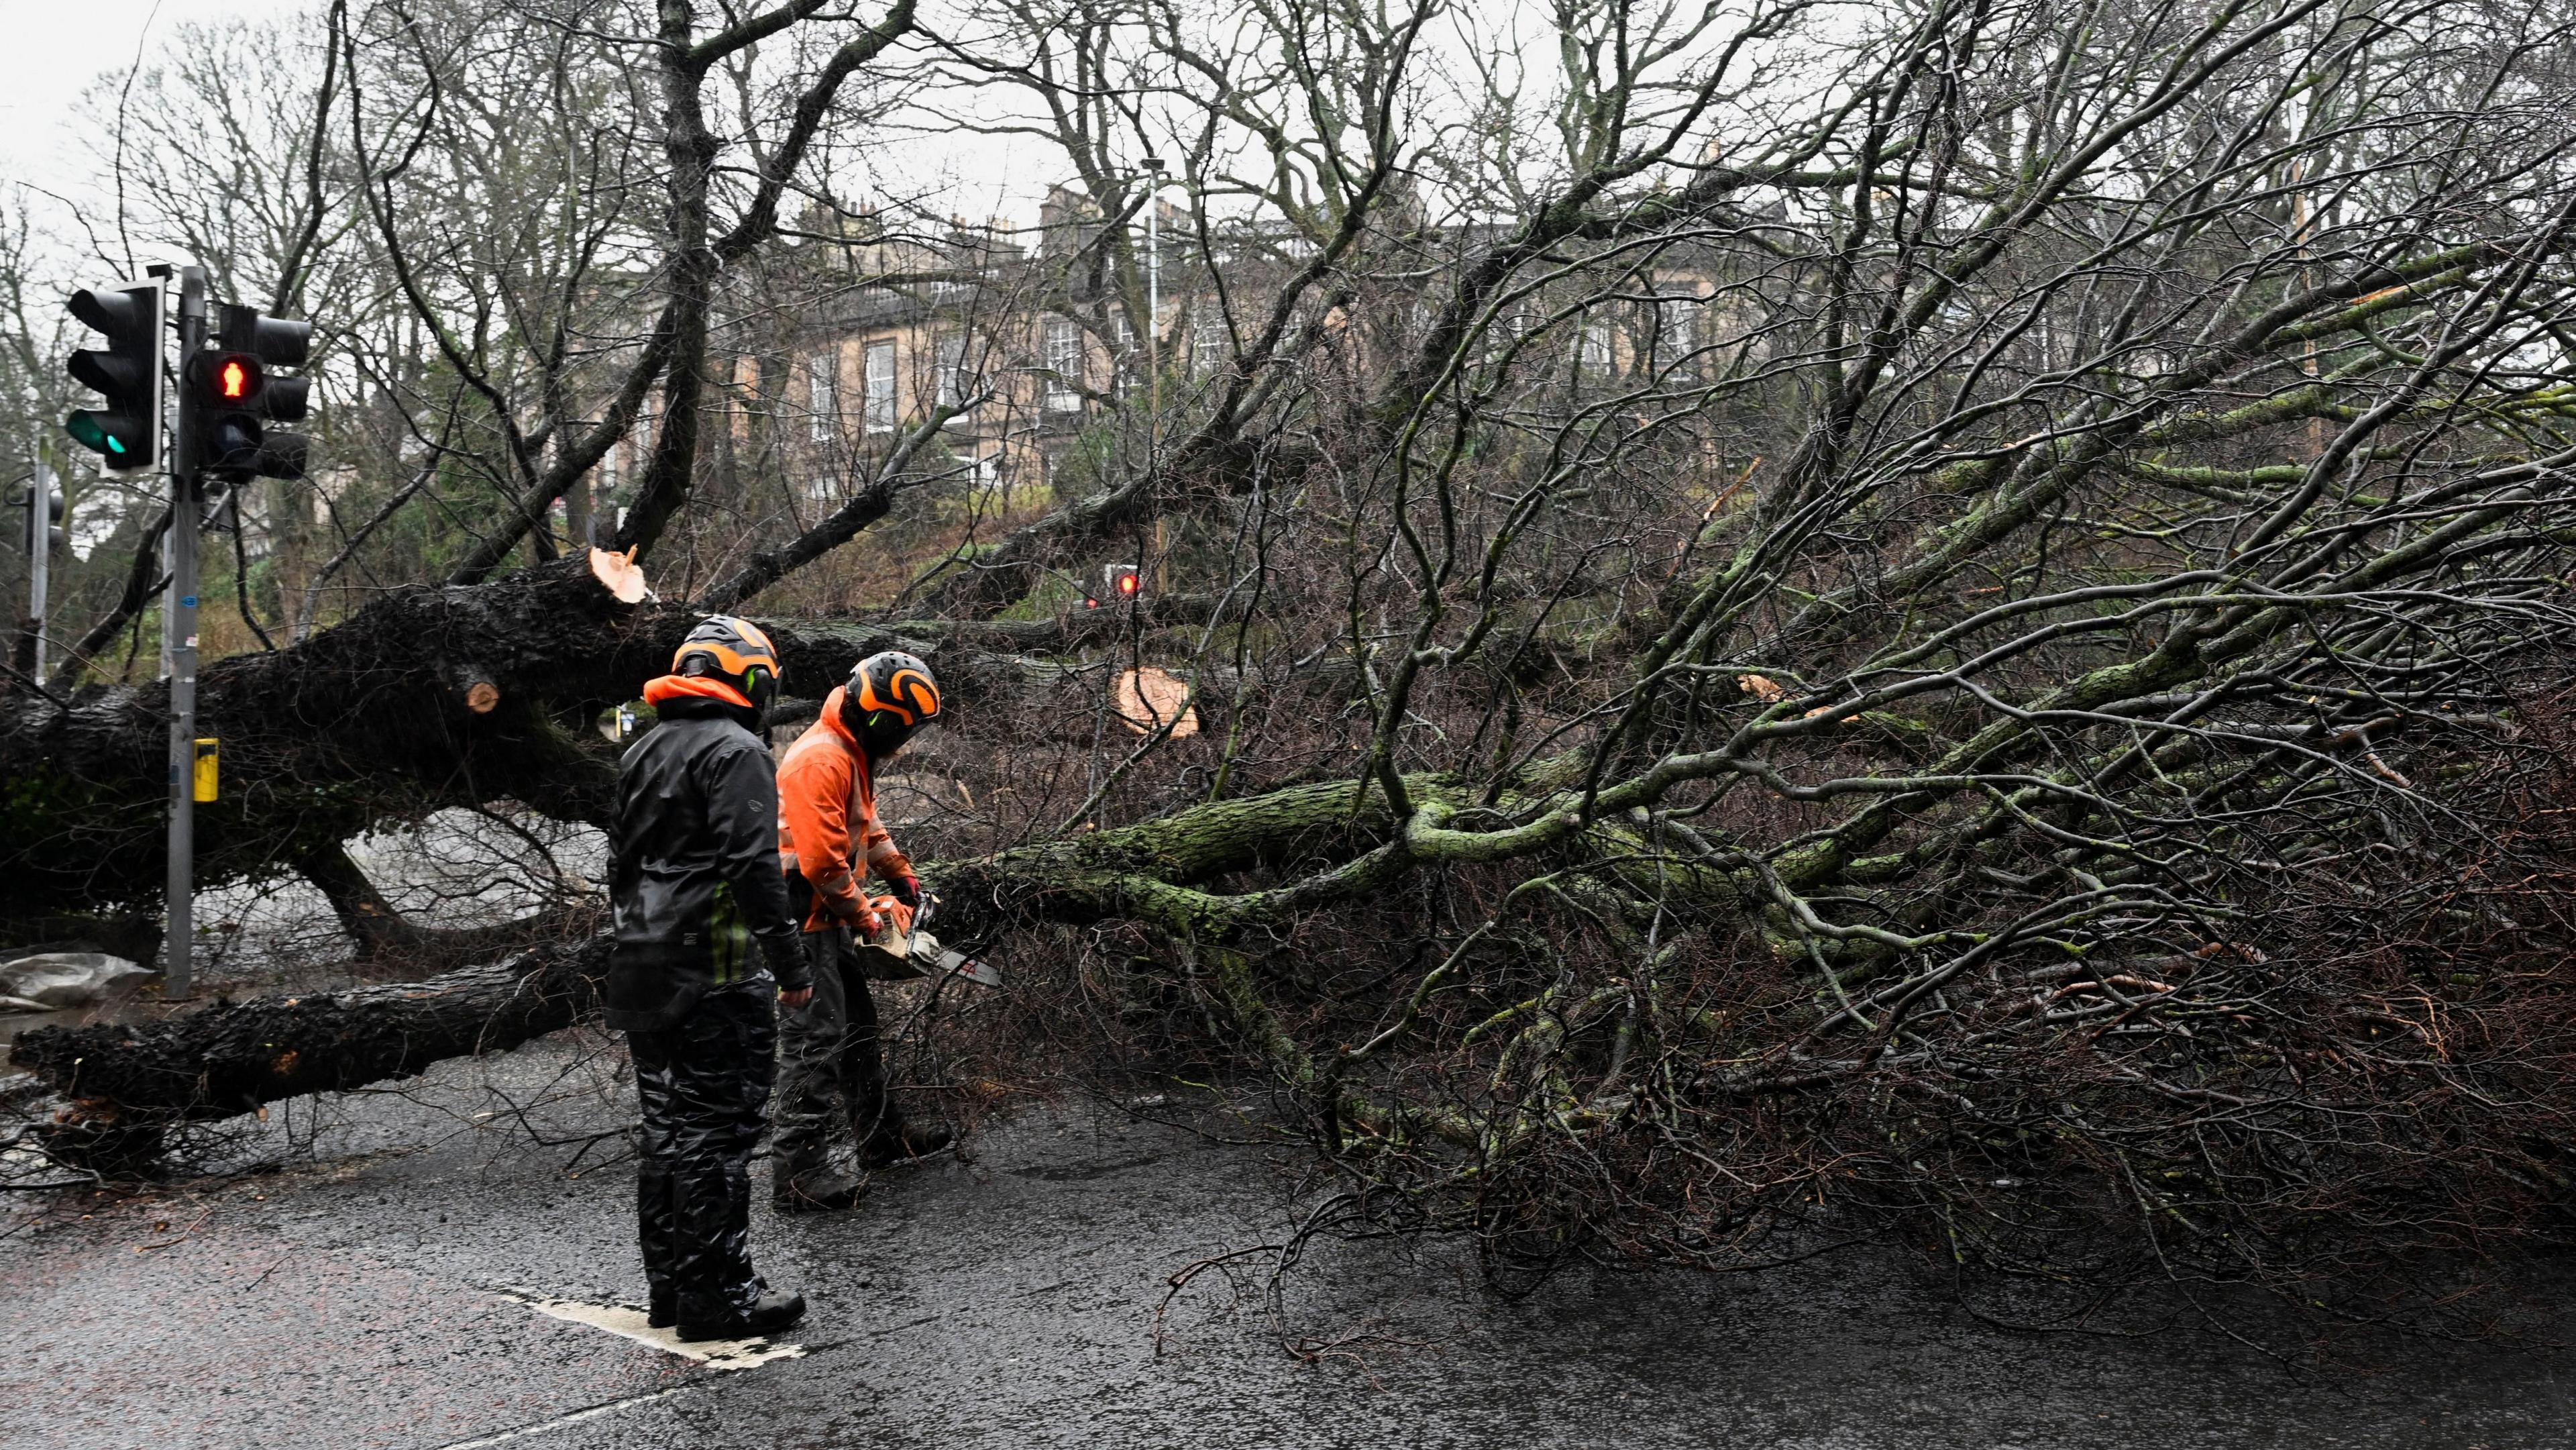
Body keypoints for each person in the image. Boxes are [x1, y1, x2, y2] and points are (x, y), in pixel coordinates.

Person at [605, 615, 812, 1341]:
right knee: (718, 1134)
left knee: (667, 1129)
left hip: (640, 960)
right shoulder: (737, 748)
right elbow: (753, 867)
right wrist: (790, 963)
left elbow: (619, 863)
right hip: (714, 969)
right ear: (750, 677)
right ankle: (719, 1296)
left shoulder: (642, 749)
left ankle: (673, 1289)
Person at [770, 650, 957, 1212]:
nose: (902, 740)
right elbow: (822, 862)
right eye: (900, 727)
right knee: (814, 1042)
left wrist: (901, 875)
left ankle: (881, 1136)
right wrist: (866, 915)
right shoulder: (820, 760)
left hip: (826, 910)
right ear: (879, 717)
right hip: (805, 914)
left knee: (857, 1031)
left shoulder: (850, 754)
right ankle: (798, 1174)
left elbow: (864, 825)